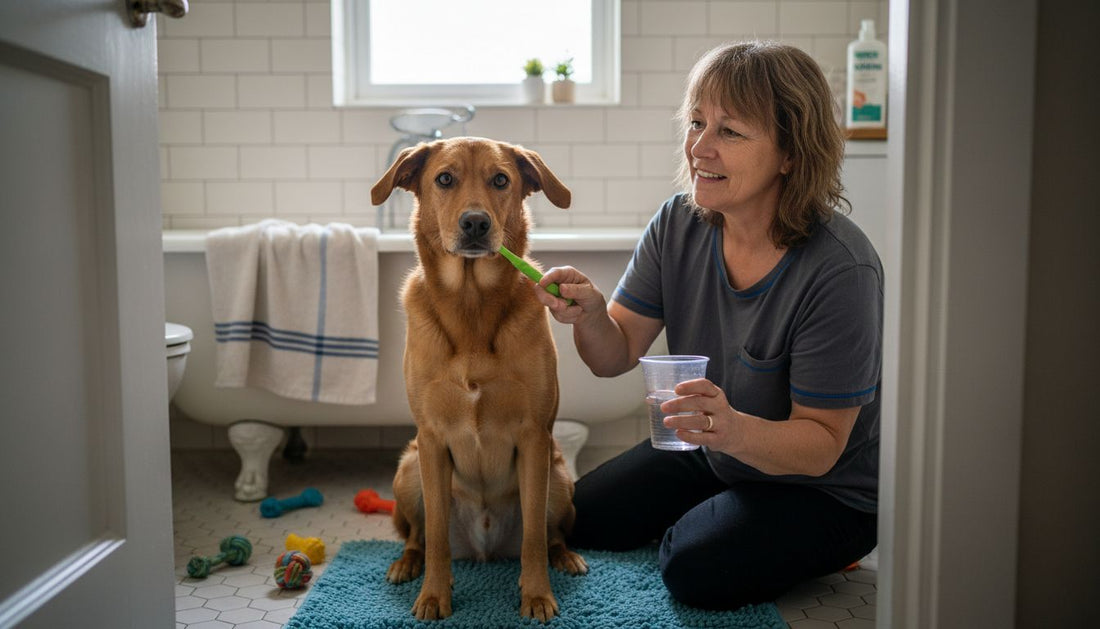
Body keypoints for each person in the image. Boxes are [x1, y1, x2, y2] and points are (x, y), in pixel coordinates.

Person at [533, 41, 882, 610]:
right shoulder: (678, 223)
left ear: (791, 153)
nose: (699, 147)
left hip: (826, 489)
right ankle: (726, 510)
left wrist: (731, 431)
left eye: (729, 131)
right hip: (718, 448)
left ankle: (800, 540)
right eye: (697, 123)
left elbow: (821, 447)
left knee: (694, 568)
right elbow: (612, 356)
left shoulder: (841, 270)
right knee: (574, 517)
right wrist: (593, 315)